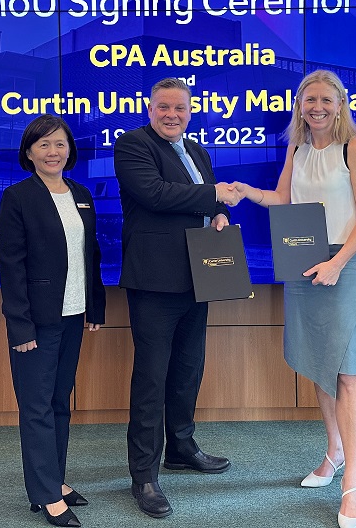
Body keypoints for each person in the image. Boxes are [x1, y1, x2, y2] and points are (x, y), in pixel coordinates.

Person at [234, 69, 356, 528]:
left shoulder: (355, 148)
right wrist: (248, 193)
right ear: (299, 106)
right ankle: (334, 451)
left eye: (325, 100)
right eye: (309, 100)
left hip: (344, 264)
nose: (317, 107)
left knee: (348, 371)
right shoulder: (296, 149)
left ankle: (352, 483)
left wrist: (337, 263)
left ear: (340, 105)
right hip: (303, 260)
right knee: (320, 363)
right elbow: (284, 199)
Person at [113, 77, 240, 519]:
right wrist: (215, 195)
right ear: (150, 109)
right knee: (152, 377)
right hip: (154, 280)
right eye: (163, 107)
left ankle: (181, 448)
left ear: (190, 111)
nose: (172, 115)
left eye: (180, 108)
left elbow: (210, 201)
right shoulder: (133, 145)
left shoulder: (198, 151)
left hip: (199, 276)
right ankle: (144, 475)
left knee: (188, 369)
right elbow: (154, 193)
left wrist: (220, 213)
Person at [0, 114, 106, 528]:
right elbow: (11, 266)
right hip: (37, 321)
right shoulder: (18, 197)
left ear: (69, 150)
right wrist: (19, 327)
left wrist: (95, 307)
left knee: (60, 402)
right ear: (29, 152)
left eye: (60, 143)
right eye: (43, 144)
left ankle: (53, 480)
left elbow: (90, 254)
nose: (53, 151)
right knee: (37, 407)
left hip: (74, 314)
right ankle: (45, 493)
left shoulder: (81, 194)